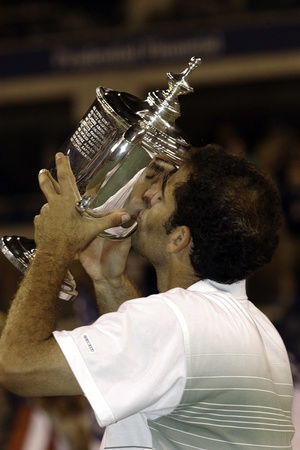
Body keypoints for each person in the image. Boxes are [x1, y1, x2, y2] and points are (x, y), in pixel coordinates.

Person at [0, 144, 295, 449]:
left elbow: (17, 367)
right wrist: (108, 278)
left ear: (179, 239)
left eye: (161, 195)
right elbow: (151, 371)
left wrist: (54, 247)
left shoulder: (176, 322)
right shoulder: (260, 331)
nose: (146, 195)